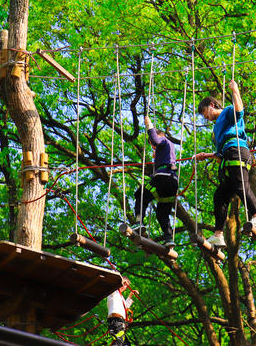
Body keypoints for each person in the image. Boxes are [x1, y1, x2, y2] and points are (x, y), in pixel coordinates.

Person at [195, 79, 256, 247]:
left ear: (212, 104)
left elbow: (239, 110)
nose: (205, 117)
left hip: (237, 151)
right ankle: (218, 235)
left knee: (240, 185)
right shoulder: (216, 130)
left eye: (204, 112)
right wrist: (207, 155)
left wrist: (235, 90)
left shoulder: (227, 111)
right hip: (228, 156)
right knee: (220, 196)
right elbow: (220, 154)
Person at [132, 114, 178, 247]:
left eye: (152, 146)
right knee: (162, 213)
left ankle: (139, 221)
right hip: (172, 182)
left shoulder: (163, 140)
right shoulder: (168, 149)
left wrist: (149, 125)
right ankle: (169, 238)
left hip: (163, 177)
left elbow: (155, 140)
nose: (153, 148)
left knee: (140, 194)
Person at [106, 276, 135, 346]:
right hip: (115, 321)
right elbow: (114, 283)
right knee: (119, 341)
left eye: (126, 285)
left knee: (125, 343)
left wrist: (130, 295)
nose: (124, 286)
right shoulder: (113, 292)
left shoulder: (121, 297)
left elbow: (126, 306)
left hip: (120, 322)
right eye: (124, 284)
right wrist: (121, 281)